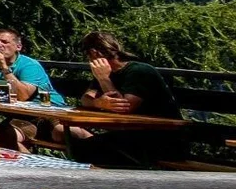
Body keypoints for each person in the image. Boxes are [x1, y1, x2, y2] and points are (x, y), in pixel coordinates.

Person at [63, 31, 182, 167]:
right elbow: (86, 98)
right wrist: (97, 102)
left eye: (87, 55)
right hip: (133, 136)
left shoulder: (139, 71)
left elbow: (123, 108)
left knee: (85, 150)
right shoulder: (107, 74)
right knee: (81, 147)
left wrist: (104, 79)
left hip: (162, 140)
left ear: (94, 53)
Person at [0, 28, 64, 104]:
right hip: (14, 110)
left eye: (4, 42)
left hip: (48, 108)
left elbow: (22, 96)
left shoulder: (30, 65)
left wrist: (4, 67)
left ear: (18, 47)